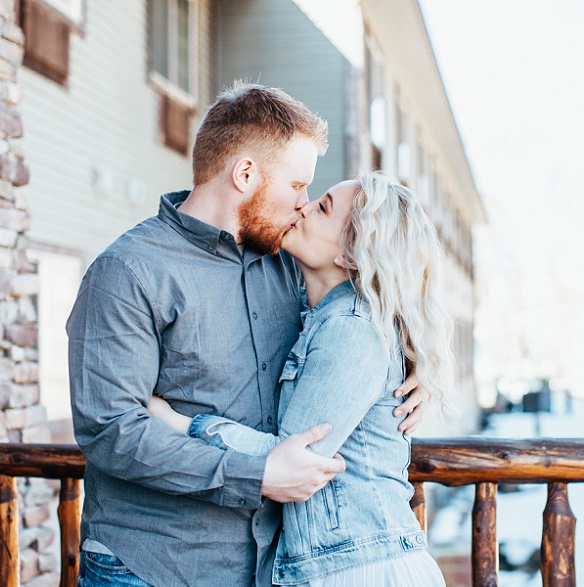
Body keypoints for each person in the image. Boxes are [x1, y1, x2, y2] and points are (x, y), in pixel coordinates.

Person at [67, 83, 429, 587]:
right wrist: (255, 476)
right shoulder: (128, 271)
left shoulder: (287, 264)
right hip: (152, 565)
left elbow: (371, 303)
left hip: (266, 566)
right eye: (298, 185)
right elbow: (111, 430)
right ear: (245, 174)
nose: (303, 204)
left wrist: (414, 366)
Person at [150, 172, 453, 586]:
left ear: (352, 253)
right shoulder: (323, 316)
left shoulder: (352, 328)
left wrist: (180, 423)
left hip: (361, 569)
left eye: (323, 207)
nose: (305, 207)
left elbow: (293, 460)